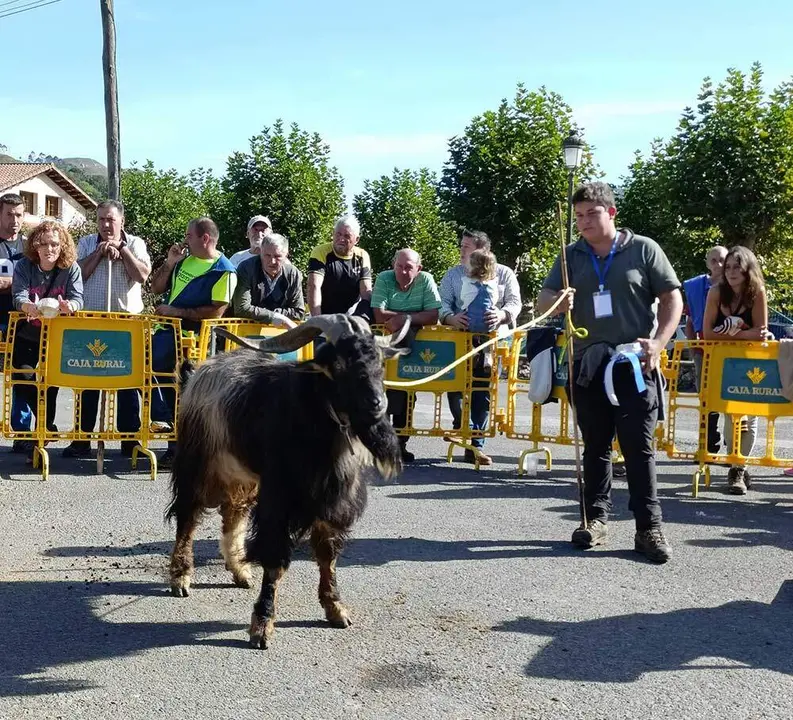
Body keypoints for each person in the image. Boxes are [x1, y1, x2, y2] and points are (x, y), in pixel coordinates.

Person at [537, 182, 682, 564]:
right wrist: (558, 302)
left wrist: (660, 342)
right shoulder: (570, 256)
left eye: (592, 214)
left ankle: (648, 528)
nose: (583, 222)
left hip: (634, 364)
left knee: (639, 448)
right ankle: (595, 520)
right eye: (579, 215)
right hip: (588, 364)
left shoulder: (643, 249)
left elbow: (672, 297)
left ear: (611, 213)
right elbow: (544, 301)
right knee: (596, 447)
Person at [62, 200, 152, 459]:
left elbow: (142, 276)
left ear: (121, 221)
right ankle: (81, 439)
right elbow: (76, 274)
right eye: (101, 219)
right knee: (88, 382)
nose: (105, 225)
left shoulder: (135, 243)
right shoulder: (88, 243)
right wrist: (100, 253)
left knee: (127, 383)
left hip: (126, 325)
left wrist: (122, 251)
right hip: (91, 323)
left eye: (110, 220)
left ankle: (129, 440)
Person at [149, 217, 237, 468]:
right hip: (167, 334)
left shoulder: (224, 270)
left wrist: (177, 312)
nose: (185, 240)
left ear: (204, 238)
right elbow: (156, 288)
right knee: (159, 379)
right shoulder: (183, 260)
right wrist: (169, 264)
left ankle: (184, 450)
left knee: (186, 393)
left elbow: (216, 312)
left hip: (194, 339)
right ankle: (172, 443)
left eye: (189, 235)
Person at [439, 230, 521, 466]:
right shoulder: (453, 275)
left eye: (466, 247)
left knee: (481, 391)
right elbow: (442, 301)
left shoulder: (504, 273)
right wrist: (450, 317)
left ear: (482, 251)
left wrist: (502, 314)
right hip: (457, 340)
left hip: (489, 343)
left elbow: (515, 302)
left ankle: (476, 445)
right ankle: (461, 424)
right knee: (454, 386)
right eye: (461, 245)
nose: (461, 250)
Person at [11, 221, 83, 461]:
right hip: (28, 334)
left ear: (62, 245)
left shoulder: (71, 267)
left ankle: (42, 433)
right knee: (23, 379)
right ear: (35, 245)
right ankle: (44, 425)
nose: (49, 249)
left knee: (51, 385)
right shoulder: (24, 265)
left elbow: (77, 298)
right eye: (44, 244)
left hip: (58, 336)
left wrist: (69, 306)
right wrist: (27, 306)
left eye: (54, 244)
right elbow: (18, 295)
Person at [702, 246, 769, 495]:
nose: (730, 272)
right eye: (727, 266)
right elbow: (707, 333)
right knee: (731, 417)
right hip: (724, 361)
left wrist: (731, 333)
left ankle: (737, 469)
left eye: (736, 267)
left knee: (749, 418)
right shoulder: (716, 292)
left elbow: (761, 335)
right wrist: (744, 334)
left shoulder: (757, 292)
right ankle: (738, 463)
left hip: (752, 363)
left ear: (748, 269)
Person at [371, 248, 442, 462]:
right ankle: (380, 446)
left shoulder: (427, 280)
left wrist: (403, 320)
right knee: (383, 394)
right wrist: (415, 317)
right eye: (399, 266)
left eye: (408, 268)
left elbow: (433, 315)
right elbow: (379, 314)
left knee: (408, 394)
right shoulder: (384, 278)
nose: (402, 271)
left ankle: (401, 444)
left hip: (413, 347)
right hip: (384, 347)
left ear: (418, 269)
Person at [683, 245, 728, 453]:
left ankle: (732, 445)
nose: (718, 264)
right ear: (707, 263)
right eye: (714, 260)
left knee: (732, 394)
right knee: (706, 397)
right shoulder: (695, 287)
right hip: (704, 348)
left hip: (730, 349)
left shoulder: (735, 285)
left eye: (722, 260)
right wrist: (693, 349)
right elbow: (691, 320)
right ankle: (708, 444)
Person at [0, 193, 31, 453]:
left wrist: (12, 285)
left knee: (22, 377)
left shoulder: (30, 247)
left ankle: (21, 432)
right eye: (9, 214)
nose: (14, 220)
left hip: (21, 323)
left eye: (19, 214)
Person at [232, 233, 304, 327]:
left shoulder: (293, 274)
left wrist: (274, 316)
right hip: (246, 331)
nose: (272, 261)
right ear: (260, 252)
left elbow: (299, 312)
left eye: (277, 256)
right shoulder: (246, 269)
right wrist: (275, 317)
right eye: (267, 255)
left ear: (286, 255)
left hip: (280, 333)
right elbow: (242, 308)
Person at [307, 215, 372, 319]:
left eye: (347, 236)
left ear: (357, 239)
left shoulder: (362, 255)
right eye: (338, 234)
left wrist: (361, 319)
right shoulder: (320, 251)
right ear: (333, 233)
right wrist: (317, 320)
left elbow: (366, 292)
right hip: (321, 310)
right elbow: (313, 286)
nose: (341, 239)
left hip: (351, 313)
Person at [461, 248, 499, 373]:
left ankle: (472, 350)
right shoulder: (492, 285)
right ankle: (487, 357)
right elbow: (495, 299)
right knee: (487, 336)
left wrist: (464, 307)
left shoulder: (468, 283)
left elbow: (464, 297)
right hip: (486, 319)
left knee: (464, 332)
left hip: (471, 320)